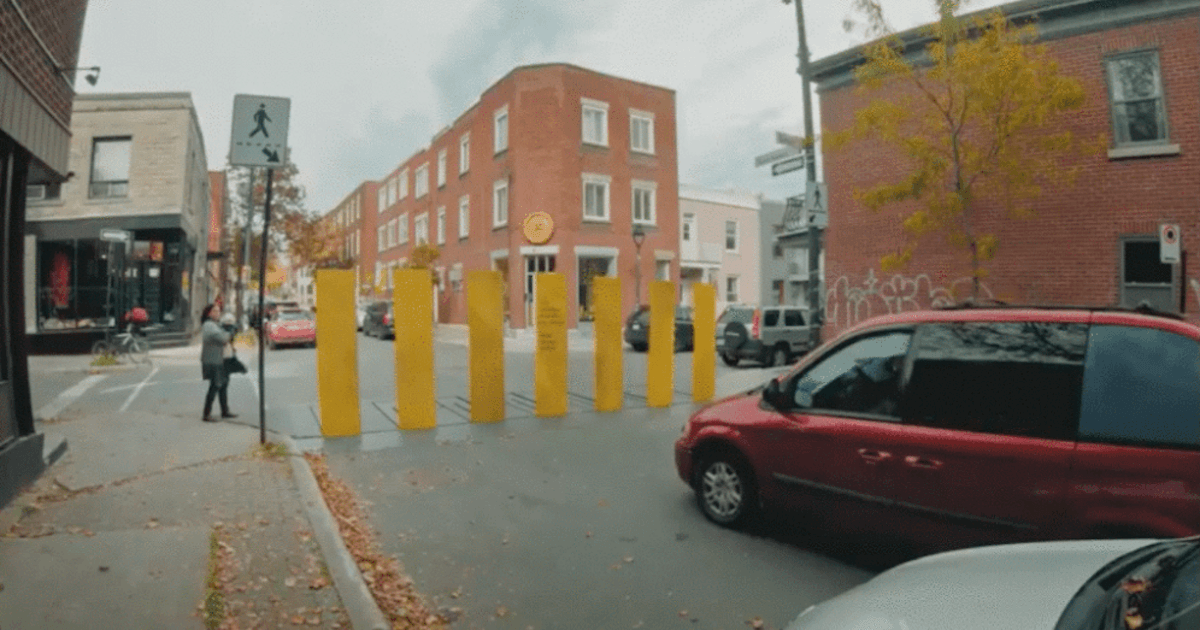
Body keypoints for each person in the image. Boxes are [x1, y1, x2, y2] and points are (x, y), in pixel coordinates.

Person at [200, 303, 237, 422]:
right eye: (215, 311)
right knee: (215, 385)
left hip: (221, 359)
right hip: (213, 360)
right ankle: (206, 413)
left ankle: (225, 411)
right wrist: (230, 332)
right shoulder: (209, 325)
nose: (218, 313)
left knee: (223, 385)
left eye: (218, 311)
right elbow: (223, 338)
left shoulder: (216, 324)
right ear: (208, 313)